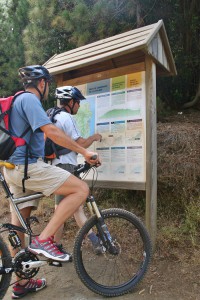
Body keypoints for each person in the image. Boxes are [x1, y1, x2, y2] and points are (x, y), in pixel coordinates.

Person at [3, 65, 100, 299]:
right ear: (42, 83)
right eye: (48, 83)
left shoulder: (18, 100)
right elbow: (51, 132)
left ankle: (21, 282)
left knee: (18, 228)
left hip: (13, 169)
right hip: (28, 168)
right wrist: (84, 152)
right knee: (80, 189)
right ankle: (45, 240)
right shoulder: (30, 99)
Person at [50, 86, 103, 258]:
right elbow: (80, 144)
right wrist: (94, 137)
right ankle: (94, 239)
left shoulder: (53, 116)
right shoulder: (66, 117)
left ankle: (55, 248)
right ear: (70, 102)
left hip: (53, 165)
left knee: (63, 208)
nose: (79, 106)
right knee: (74, 206)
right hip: (65, 166)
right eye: (78, 102)